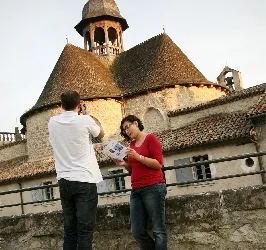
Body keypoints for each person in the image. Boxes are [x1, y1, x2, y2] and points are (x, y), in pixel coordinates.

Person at [48, 90, 104, 250]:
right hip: (84, 179)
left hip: (64, 181)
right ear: (79, 105)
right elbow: (101, 134)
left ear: (61, 106)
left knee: (70, 230)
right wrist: (88, 115)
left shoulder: (52, 122)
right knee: (85, 231)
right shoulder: (85, 120)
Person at [115, 115, 167, 250]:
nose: (126, 131)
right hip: (136, 190)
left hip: (154, 187)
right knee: (137, 232)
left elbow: (158, 164)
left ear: (136, 123)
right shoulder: (131, 145)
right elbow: (134, 170)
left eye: (128, 127)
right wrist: (124, 164)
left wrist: (138, 157)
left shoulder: (150, 138)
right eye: (124, 130)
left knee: (158, 230)